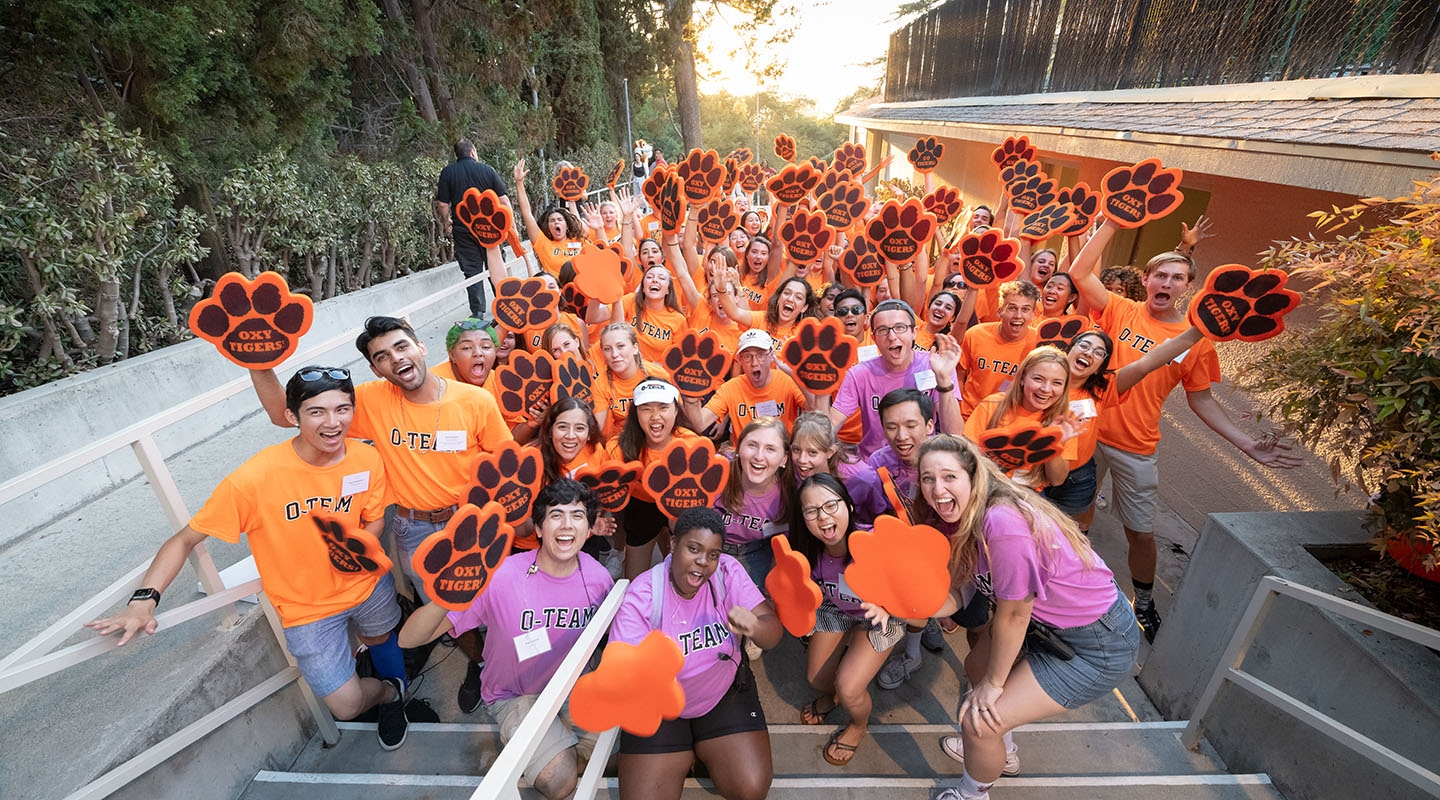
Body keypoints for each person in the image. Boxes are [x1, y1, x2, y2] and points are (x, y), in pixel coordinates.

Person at [87, 367, 414, 750]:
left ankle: (396, 698)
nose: (333, 422)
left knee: (381, 636)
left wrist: (356, 548)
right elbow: (184, 539)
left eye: (343, 409)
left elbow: (374, 519)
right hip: (306, 608)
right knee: (345, 706)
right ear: (292, 416)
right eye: (317, 412)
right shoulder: (255, 479)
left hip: (367, 583)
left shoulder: (366, 458)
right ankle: (383, 692)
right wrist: (142, 602)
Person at [250, 316, 513, 710]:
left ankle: (508, 662)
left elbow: (505, 465)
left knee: (495, 604)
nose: (396, 359)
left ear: (420, 347)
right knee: (446, 611)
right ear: (375, 369)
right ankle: (480, 663)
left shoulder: (476, 401)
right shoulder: (372, 401)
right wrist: (255, 360)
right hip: (415, 531)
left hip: (471, 524)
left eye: (401, 347)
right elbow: (281, 413)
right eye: (383, 357)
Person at [1067, 220, 1301, 640]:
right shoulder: (1121, 308)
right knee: (1075, 514)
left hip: (1135, 446)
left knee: (1139, 531)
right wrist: (1114, 221)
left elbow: (1202, 400)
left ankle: (1143, 601)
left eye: (1177, 278)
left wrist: (1246, 443)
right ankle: (1072, 580)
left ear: (1187, 287)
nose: (1167, 282)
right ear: (1146, 278)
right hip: (1085, 429)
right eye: (1160, 274)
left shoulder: (1198, 341)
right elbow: (1081, 274)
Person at [916, 435, 1140, 800]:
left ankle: (972, 793)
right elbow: (959, 594)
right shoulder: (966, 516)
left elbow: (1015, 613)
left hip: (1097, 642)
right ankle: (1004, 753)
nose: (937, 489)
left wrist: (993, 686)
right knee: (976, 666)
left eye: (948, 477)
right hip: (1046, 624)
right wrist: (904, 604)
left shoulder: (1002, 523)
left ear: (974, 475)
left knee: (979, 722)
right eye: (928, 479)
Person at [399, 479, 615, 799]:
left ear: (588, 529)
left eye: (577, 516)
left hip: (573, 688)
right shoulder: (500, 576)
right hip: (514, 694)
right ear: (539, 529)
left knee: (615, 754)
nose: (567, 525)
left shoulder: (599, 579)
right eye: (556, 515)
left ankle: (546, 746)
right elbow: (408, 639)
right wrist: (449, 594)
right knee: (559, 781)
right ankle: (540, 747)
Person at [609, 507, 782, 800]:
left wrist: (754, 626)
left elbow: (773, 633)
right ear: (674, 544)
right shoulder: (644, 594)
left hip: (721, 693)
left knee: (750, 788)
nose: (703, 562)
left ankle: (702, 750)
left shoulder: (727, 572)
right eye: (694, 549)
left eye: (713, 554)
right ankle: (684, 751)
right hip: (661, 705)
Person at [790, 473, 905, 766]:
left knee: (850, 688)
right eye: (812, 511)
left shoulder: (877, 542)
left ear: (850, 507)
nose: (823, 517)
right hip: (837, 608)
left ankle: (858, 725)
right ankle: (834, 695)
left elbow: (915, 596)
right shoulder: (808, 551)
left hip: (882, 616)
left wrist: (891, 609)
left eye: (831, 505)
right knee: (817, 679)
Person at [866, 388, 947, 689]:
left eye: (911, 425)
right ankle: (915, 646)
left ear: (929, 424)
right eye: (891, 426)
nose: (901, 435)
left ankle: (923, 633)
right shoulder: (878, 462)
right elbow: (870, 511)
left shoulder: (949, 460)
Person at [829, 299, 963, 459]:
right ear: (874, 337)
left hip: (923, 463)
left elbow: (954, 434)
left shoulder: (935, 366)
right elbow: (830, 425)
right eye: (883, 330)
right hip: (874, 468)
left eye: (900, 328)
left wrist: (944, 380)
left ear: (914, 332)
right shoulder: (859, 373)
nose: (892, 337)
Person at [609, 378, 704, 579]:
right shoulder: (619, 447)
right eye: (646, 409)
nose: (655, 416)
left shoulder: (692, 444)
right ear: (635, 414)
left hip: (679, 505)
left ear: (676, 410)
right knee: (633, 580)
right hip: (641, 507)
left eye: (663, 407)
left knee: (680, 574)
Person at [963, 347, 1083, 489]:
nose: (1046, 389)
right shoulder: (992, 405)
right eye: (1038, 379)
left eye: (1057, 383)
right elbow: (967, 457)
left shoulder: (1064, 421)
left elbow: (1057, 480)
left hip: (1028, 495)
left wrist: (1053, 443)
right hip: (986, 485)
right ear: (1022, 378)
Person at [684, 330, 805, 445]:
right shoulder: (731, 388)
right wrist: (691, 394)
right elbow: (700, 424)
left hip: (781, 455)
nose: (754, 363)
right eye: (748, 356)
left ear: (771, 356)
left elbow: (815, 410)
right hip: (744, 459)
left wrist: (797, 374)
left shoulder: (787, 380)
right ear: (740, 360)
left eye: (761, 355)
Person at [713, 418, 793, 593]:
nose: (759, 456)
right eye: (752, 445)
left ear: (784, 458)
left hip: (756, 553)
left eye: (770, 449)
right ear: (739, 448)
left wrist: (769, 590)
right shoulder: (718, 472)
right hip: (711, 546)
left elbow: (780, 551)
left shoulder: (787, 496)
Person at [435, 140, 511, 315]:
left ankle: (477, 312)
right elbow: (504, 200)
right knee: (496, 265)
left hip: (463, 229)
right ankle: (505, 305)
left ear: (457, 155)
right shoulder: (487, 170)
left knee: (472, 270)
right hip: (490, 230)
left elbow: (443, 204)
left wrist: (447, 222)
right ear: (473, 152)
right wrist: (507, 225)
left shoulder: (448, 172)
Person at [956, 280, 1040, 419]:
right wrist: (957, 408)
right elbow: (960, 373)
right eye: (1012, 308)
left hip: (1010, 420)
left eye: (1025, 309)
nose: (1018, 315)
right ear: (1000, 311)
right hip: (969, 416)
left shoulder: (1038, 343)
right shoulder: (976, 334)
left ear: (1033, 314)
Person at [513, 159, 586, 278]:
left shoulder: (578, 239)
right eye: (552, 220)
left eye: (560, 219)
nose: (556, 222)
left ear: (567, 225)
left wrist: (572, 200)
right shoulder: (544, 244)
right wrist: (519, 183)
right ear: (548, 227)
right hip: (558, 292)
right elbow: (527, 213)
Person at [432, 317, 500, 393]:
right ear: (452, 355)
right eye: (467, 348)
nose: (478, 353)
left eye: (485, 347)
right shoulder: (432, 384)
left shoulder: (500, 383)